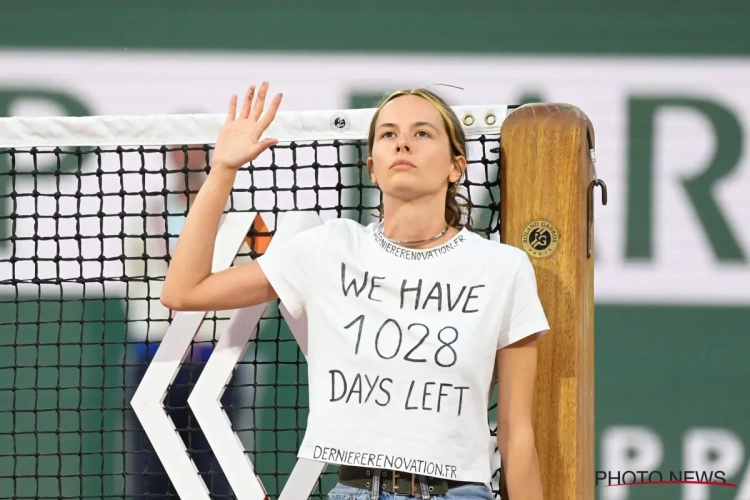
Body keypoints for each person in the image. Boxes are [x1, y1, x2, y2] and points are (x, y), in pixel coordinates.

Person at [160, 82, 550, 500]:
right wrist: (222, 170)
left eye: (422, 133)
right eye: (388, 134)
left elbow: (516, 433)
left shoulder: (502, 268)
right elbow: (185, 291)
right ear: (372, 167)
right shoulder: (331, 248)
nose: (402, 143)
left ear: (457, 166)